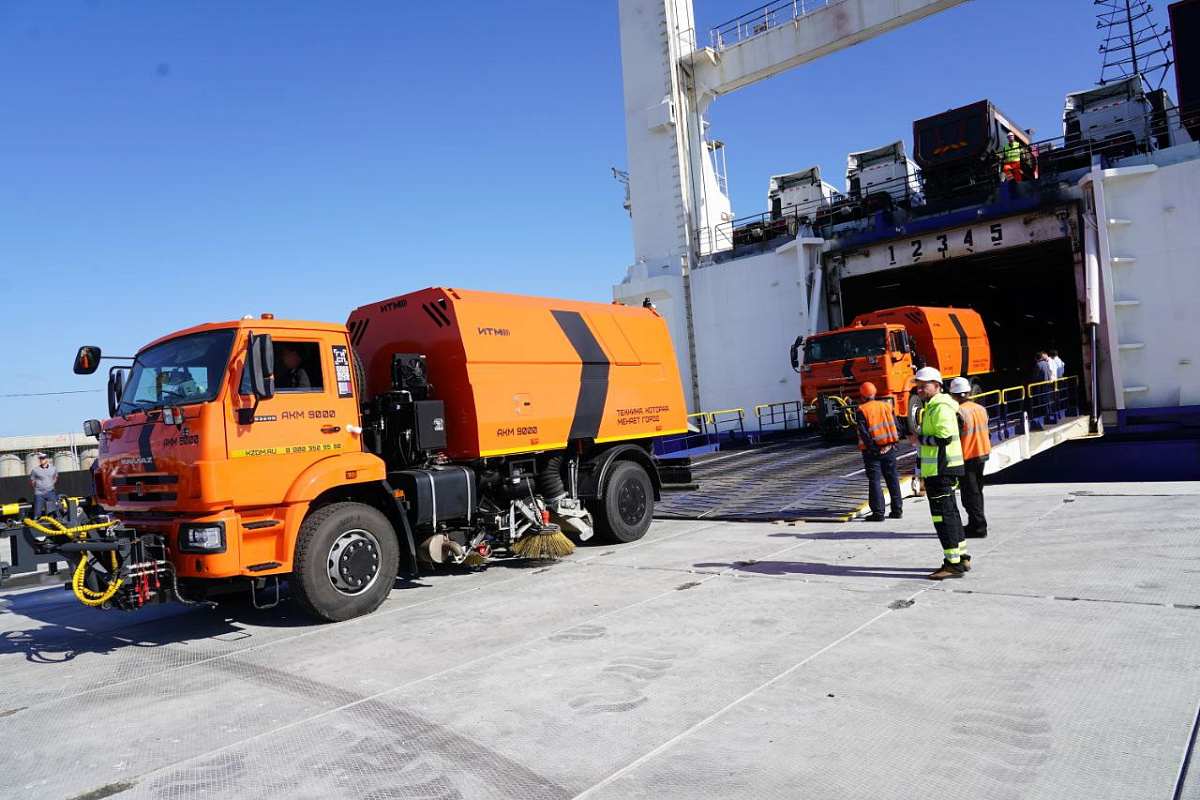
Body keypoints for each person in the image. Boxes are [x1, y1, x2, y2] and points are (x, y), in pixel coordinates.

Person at [913, 367, 968, 580]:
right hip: (941, 469)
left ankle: (952, 564)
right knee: (951, 513)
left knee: (943, 517)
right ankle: (961, 556)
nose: (919, 389)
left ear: (936, 386)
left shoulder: (940, 407)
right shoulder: (936, 406)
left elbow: (943, 438)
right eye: (918, 386)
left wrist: (920, 439)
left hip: (940, 470)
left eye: (923, 386)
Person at [854, 382, 903, 522]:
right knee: (892, 478)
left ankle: (878, 512)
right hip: (889, 449)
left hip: (872, 452)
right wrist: (891, 444)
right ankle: (897, 509)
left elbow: (864, 433)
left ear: (862, 396)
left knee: (875, 480)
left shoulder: (862, 410)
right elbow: (897, 427)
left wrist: (874, 449)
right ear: (875, 393)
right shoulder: (887, 406)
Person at [949, 377, 990, 539]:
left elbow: (954, 437)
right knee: (977, 491)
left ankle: (979, 527)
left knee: (969, 494)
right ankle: (976, 523)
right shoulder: (980, 409)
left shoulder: (959, 412)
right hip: (982, 453)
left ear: (954, 395)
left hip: (968, 456)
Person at [29, 452, 59, 519]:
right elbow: (32, 480)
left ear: (46, 459)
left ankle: (52, 526)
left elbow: (55, 477)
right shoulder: (35, 470)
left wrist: (51, 484)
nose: (41, 460)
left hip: (50, 492)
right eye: (40, 459)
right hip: (39, 494)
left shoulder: (53, 468)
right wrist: (38, 487)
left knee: (52, 511)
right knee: (37, 512)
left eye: (43, 458)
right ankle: (36, 524)